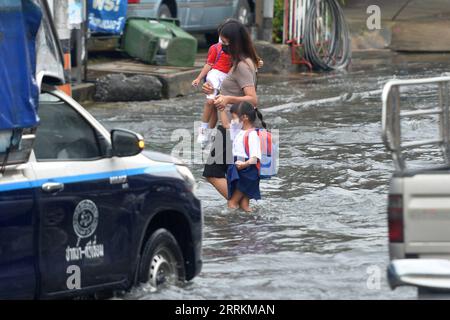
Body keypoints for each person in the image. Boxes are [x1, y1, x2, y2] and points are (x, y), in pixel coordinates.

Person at [202, 19, 260, 203]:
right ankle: (243, 211)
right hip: (232, 126)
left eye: (226, 44)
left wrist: (227, 99)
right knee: (232, 172)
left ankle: (240, 203)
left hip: (233, 128)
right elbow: (232, 88)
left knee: (212, 173)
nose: (222, 47)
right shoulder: (242, 62)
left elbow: (252, 99)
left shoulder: (242, 66)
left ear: (235, 43)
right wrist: (214, 91)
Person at [220, 102, 267, 212]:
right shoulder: (238, 131)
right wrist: (221, 109)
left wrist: (244, 164)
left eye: (234, 117)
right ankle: (249, 225)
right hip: (241, 169)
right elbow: (226, 125)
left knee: (232, 202)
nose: (232, 120)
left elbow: (255, 158)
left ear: (244, 117)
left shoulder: (252, 134)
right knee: (244, 205)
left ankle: (235, 226)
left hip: (247, 172)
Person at [192, 38, 232, 149]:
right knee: (210, 101)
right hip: (215, 74)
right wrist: (199, 78)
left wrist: (257, 61)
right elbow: (208, 65)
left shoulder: (237, 48)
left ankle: (209, 132)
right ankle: (203, 130)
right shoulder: (215, 48)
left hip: (228, 77)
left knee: (217, 105)